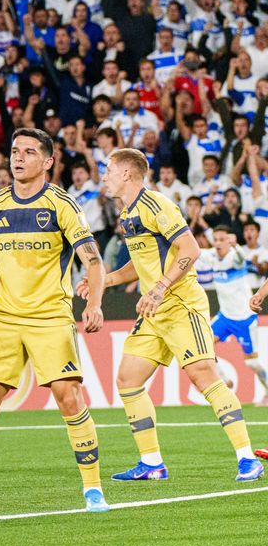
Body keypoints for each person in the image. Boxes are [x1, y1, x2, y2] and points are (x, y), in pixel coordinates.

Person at [0, 128, 109, 517]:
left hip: (50, 317)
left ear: (47, 162)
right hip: (4, 319)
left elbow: (93, 260)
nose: (19, 158)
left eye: (29, 152)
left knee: (68, 397)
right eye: (15, 151)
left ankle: (93, 489)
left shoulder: (63, 205)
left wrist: (94, 303)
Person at [93, 148, 263, 483]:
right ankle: (152, 463)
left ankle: (247, 459)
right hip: (154, 310)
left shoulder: (158, 204)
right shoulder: (128, 214)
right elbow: (141, 264)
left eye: (109, 169)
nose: (105, 174)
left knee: (204, 377)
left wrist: (159, 288)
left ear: (128, 173)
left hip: (181, 304)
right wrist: (106, 279)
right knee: (128, 380)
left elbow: (191, 249)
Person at [198, 227, 268, 403]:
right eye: (216, 239)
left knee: (252, 363)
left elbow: (239, 259)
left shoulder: (235, 257)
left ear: (229, 242)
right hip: (225, 316)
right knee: (203, 346)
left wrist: (236, 246)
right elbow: (194, 251)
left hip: (245, 318)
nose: (219, 243)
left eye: (223, 239)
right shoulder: (211, 255)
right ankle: (224, 380)